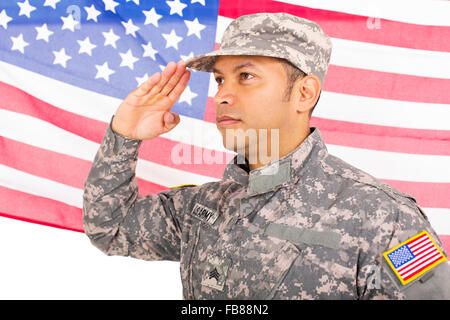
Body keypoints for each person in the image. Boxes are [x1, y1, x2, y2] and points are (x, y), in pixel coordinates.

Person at [83, 12, 450, 299]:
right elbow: (111, 227)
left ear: (304, 93)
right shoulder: (203, 207)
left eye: (246, 76)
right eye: (220, 80)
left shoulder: (387, 218)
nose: (222, 95)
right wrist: (123, 135)